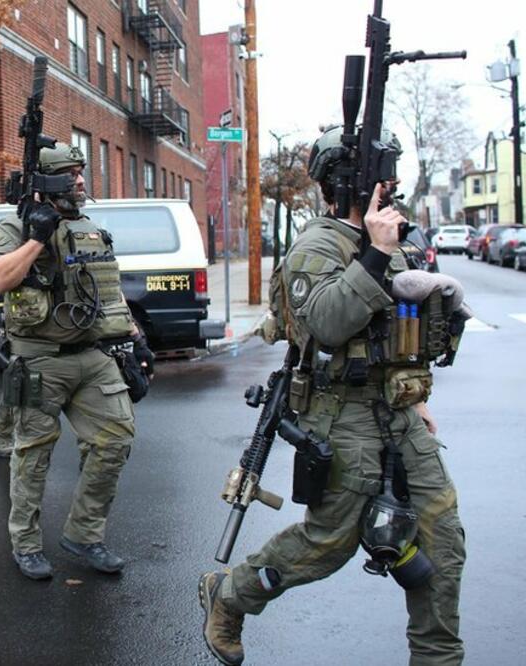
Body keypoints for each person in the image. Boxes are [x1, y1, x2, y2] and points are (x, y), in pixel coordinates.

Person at [198, 127, 465, 666]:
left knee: (442, 539)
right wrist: (375, 254)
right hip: (341, 416)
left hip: (396, 410)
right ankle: (229, 595)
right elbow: (328, 322)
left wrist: (413, 397)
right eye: (384, 174)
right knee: (330, 544)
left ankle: (437, 657)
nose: (393, 185)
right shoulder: (318, 246)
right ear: (351, 184)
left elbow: (396, 330)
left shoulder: (390, 240)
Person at [0, 143, 153, 580]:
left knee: (115, 439)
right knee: (33, 455)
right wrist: (37, 238)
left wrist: (135, 338)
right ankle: (26, 543)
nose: (81, 181)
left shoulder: (91, 229)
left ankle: (84, 533)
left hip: (94, 357)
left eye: (81, 173)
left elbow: (107, 292)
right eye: (70, 174)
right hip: (39, 360)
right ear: (48, 183)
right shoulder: (13, 227)